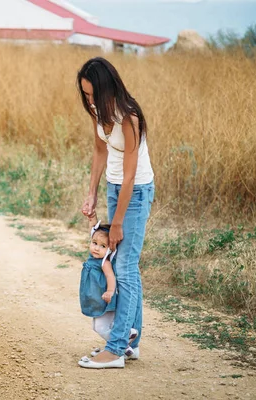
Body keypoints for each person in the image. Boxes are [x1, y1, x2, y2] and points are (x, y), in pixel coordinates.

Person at [76, 57, 155, 369]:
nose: (91, 101)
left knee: (123, 269)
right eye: (86, 95)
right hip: (113, 187)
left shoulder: (129, 117)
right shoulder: (99, 111)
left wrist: (118, 222)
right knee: (125, 266)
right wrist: (92, 192)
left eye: (94, 94)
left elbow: (131, 176)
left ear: (109, 87)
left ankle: (117, 347)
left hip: (134, 193)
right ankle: (130, 343)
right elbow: (100, 151)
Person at [78, 217, 138, 369]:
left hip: (105, 300)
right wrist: (92, 217)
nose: (96, 248)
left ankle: (122, 345)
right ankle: (121, 341)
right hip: (97, 299)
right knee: (104, 325)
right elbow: (93, 230)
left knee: (99, 327)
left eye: (102, 246)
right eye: (94, 243)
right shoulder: (93, 257)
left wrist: (110, 291)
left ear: (110, 249)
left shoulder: (105, 262)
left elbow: (111, 277)